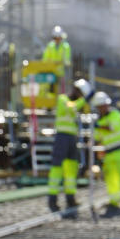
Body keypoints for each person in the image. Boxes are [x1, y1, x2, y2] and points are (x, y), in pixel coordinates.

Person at [88, 86, 120, 216]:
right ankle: (114, 201)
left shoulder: (115, 114)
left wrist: (98, 126)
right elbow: (97, 137)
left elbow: (111, 127)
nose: (103, 108)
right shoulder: (99, 121)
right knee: (111, 179)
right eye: (100, 106)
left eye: (104, 105)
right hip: (109, 153)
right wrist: (91, 141)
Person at [48, 79, 90, 217]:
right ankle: (52, 199)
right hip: (62, 137)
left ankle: (70, 198)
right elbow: (71, 107)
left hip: (72, 138)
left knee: (71, 168)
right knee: (57, 167)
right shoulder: (63, 99)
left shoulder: (76, 102)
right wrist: (84, 100)